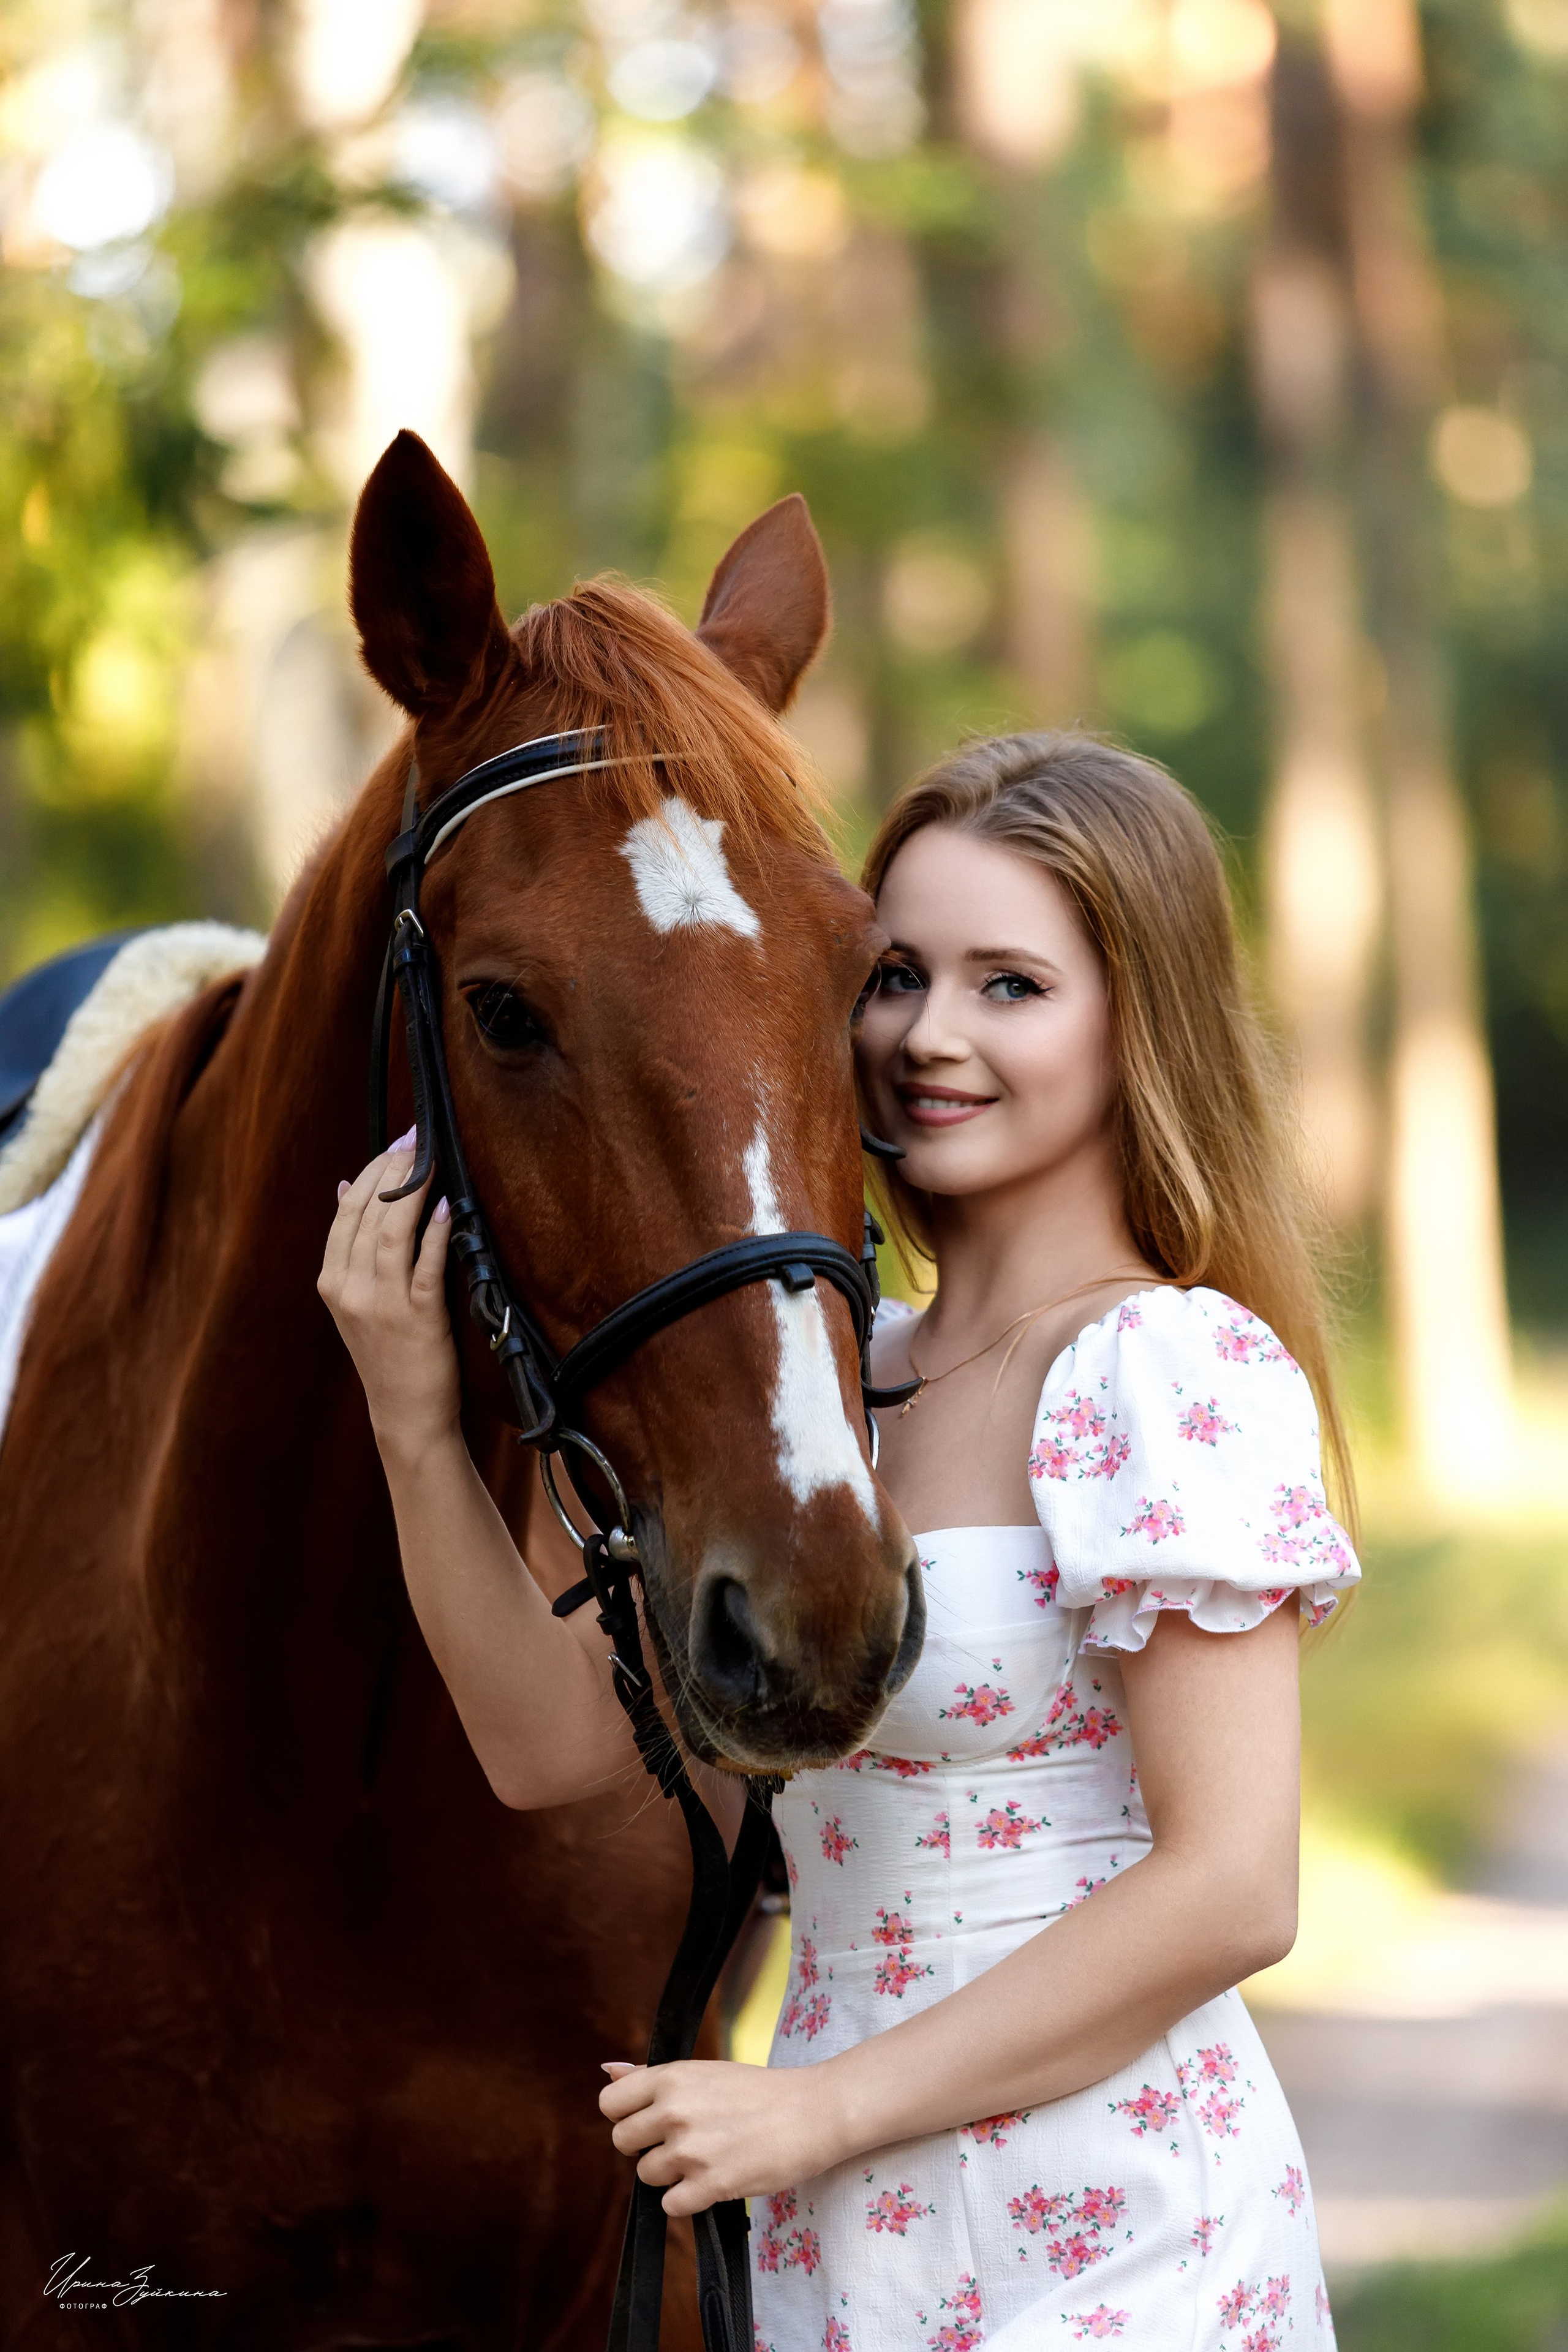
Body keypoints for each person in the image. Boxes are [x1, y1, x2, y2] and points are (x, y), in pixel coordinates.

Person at [320, 731, 1359, 2350]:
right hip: (847, 2244)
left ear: (1132, 1023)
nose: (928, 1036)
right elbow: (546, 1746)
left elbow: (1233, 1886)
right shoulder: (837, 1394)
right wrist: (406, 1412)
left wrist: (822, 2109)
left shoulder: (1164, 1370)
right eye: (895, 976)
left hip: (1124, 2245)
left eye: (1010, 985)